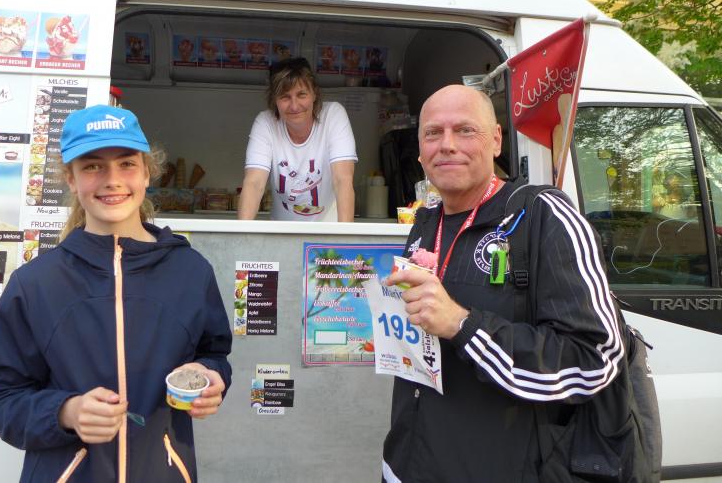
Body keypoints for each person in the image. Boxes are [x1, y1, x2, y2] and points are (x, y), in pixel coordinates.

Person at [0, 104, 232, 483]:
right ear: (71, 179)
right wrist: (66, 412)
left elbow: (215, 355)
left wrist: (209, 376)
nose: (112, 180)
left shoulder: (191, 272)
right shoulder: (35, 284)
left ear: (146, 173)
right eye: (93, 166)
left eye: (126, 164)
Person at [382, 85, 625, 482]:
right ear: (421, 150)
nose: (447, 145)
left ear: (496, 140)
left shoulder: (544, 217)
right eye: (433, 133)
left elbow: (595, 361)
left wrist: (463, 325)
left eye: (465, 130)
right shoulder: (425, 222)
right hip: (406, 466)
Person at [238, 56, 357, 221]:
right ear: (274, 100)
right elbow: (254, 183)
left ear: (314, 94)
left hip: (328, 232)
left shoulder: (333, 115)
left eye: (301, 95)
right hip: (282, 232)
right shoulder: (265, 123)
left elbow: (342, 180)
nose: (294, 106)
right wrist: (243, 233)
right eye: (285, 97)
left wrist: (344, 235)